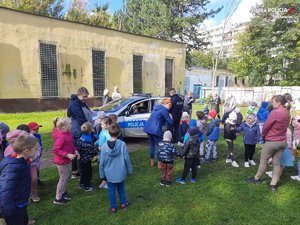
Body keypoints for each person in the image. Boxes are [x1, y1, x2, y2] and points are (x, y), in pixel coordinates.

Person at [246, 95, 290, 192]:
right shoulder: (287, 112)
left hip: (272, 141)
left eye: (273, 102)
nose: (272, 103)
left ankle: (256, 178)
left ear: (279, 103)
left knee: (263, 162)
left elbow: (266, 126)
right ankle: (273, 184)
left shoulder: (275, 112)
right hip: (282, 141)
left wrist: (263, 136)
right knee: (276, 163)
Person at [0, 134, 38, 225]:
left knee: (23, 217)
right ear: (27, 151)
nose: (37, 151)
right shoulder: (13, 168)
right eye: (36, 149)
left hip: (21, 201)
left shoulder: (22, 161)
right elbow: (6, 190)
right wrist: (8, 210)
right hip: (13, 207)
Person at [99, 123, 132, 214]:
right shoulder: (122, 144)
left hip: (109, 174)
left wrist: (102, 175)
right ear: (119, 133)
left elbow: (101, 162)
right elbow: (126, 158)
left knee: (111, 190)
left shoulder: (104, 146)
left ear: (108, 133)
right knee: (121, 188)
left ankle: (113, 208)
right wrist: (129, 169)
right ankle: (123, 204)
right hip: (120, 172)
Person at [67, 87, 92, 179]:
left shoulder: (82, 102)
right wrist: (89, 128)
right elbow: (81, 118)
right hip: (78, 130)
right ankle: (76, 172)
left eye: (86, 96)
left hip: (82, 128)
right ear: (78, 95)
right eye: (84, 96)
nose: (85, 98)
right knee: (77, 150)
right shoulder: (74, 104)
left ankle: (78, 170)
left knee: (79, 150)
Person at [52, 118, 78, 204]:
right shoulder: (61, 137)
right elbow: (56, 150)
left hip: (66, 160)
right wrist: (67, 154)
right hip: (61, 161)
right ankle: (58, 198)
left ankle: (62, 193)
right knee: (62, 179)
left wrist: (75, 150)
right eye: (70, 124)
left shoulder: (68, 134)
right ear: (63, 127)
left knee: (65, 177)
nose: (71, 125)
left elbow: (71, 144)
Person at [144, 98, 173, 167]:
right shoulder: (164, 110)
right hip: (156, 130)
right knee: (159, 146)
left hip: (148, 128)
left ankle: (152, 162)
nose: (170, 108)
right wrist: (171, 116)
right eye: (170, 106)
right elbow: (170, 122)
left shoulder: (156, 108)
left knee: (152, 145)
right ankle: (159, 164)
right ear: (168, 104)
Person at [75, 122, 98, 192]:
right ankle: (87, 186)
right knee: (87, 173)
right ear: (90, 130)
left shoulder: (80, 138)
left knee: (82, 172)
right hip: (86, 160)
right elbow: (93, 150)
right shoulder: (89, 140)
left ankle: (81, 183)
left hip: (80, 159)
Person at [27, 122, 43, 203]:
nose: (37, 129)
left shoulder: (38, 136)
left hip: (35, 161)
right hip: (28, 161)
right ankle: (28, 194)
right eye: (35, 129)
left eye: (38, 128)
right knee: (29, 178)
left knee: (35, 177)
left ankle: (33, 192)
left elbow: (39, 148)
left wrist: (36, 156)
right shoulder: (28, 138)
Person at [96, 117, 113, 189]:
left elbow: (110, 144)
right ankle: (104, 181)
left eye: (102, 124)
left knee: (106, 167)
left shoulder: (109, 133)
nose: (101, 126)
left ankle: (107, 181)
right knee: (101, 166)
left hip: (106, 154)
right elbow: (100, 139)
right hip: (101, 153)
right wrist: (96, 143)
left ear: (108, 125)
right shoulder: (102, 131)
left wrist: (102, 148)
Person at [291, 115, 300, 181]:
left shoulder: (297, 125)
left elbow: (293, 123)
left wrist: (294, 118)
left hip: (298, 141)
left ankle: (299, 176)